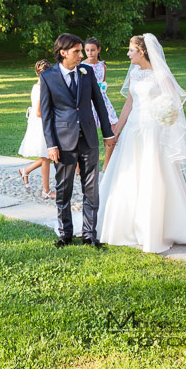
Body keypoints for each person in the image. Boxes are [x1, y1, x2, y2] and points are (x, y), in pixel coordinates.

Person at [97, 34, 186, 253]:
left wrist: (162, 114)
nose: (128, 54)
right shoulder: (135, 74)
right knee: (128, 175)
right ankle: (126, 224)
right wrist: (116, 130)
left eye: (131, 50)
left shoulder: (160, 75)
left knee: (153, 175)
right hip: (133, 130)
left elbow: (174, 103)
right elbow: (129, 103)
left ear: (142, 51)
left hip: (153, 132)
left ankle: (158, 228)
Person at [40, 33, 116, 249]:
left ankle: (89, 235)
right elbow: (46, 115)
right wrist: (51, 144)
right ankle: (65, 234)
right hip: (63, 142)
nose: (81, 55)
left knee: (91, 189)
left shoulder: (87, 72)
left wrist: (108, 134)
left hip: (89, 138)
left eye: (81, 51)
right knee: (63, 189)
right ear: (63, 53)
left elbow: (99, 103)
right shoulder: (48, 76)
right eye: (76, 52)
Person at [18, 60, 55, 199]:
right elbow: (39, 112)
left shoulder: (39, 86)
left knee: (48, 156)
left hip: (42, 123)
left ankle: (25, 170)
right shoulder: (40, 89)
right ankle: (46, 191)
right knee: (46, 157)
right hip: (42, 125)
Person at [84, 37, 120, 171]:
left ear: (98, 50)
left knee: (114, 130)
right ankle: (79, 168)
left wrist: (103, 88)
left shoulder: (102, 66)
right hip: (88, 101)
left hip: (103, 101)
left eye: (92, 50)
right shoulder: (82, 66)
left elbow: (102, 82)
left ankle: (106, 164)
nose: (90, 53)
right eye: (87, 50)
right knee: (85, 133)